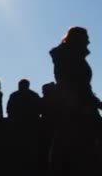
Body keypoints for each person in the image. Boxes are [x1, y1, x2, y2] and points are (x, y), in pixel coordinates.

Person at [48, 27, 101, 176]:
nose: (89, 41)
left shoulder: (69, 57)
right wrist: (88, 105)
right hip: (78, 110)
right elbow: (75, 86)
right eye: (86, 38)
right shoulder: (70, 58)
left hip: (78, 108)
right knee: (78, 153)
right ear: (78, 40)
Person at [6, 79, 42, 176]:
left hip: (17, 127)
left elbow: (9, 109)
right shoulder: (34, 95)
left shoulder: (14, 95)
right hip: (31, 127)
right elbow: (40, 108)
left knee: (18, 152)